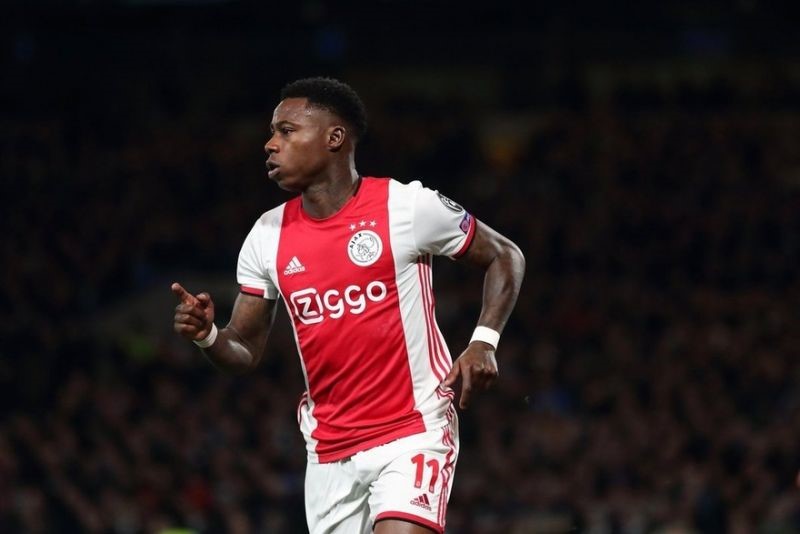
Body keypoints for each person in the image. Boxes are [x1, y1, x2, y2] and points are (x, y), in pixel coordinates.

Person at [171, 77, 525, 534]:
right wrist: (208, 335)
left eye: (286, 131)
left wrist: (484, 341)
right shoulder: (266, 235)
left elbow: (504, 255)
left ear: (334, 137)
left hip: (413, 430)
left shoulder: (405, 206)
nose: (270, 144)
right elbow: (244, 350)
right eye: (272, 132)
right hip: (329, 454)